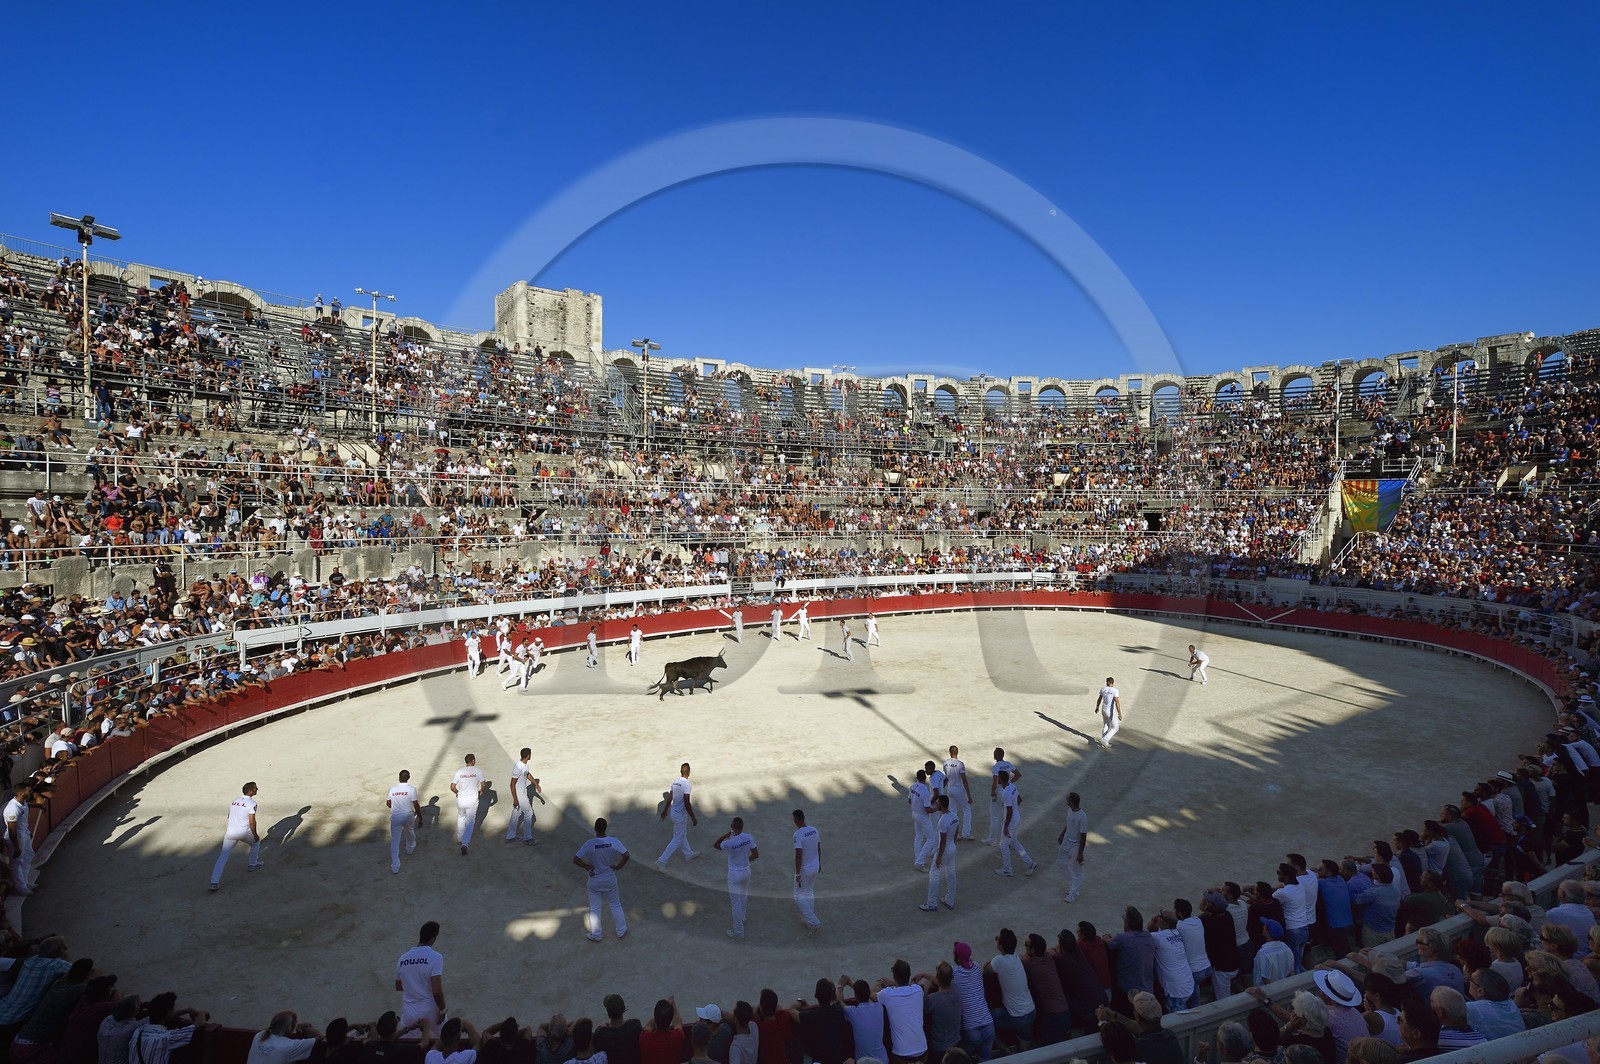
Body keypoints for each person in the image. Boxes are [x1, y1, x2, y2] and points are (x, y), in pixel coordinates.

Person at [574, 817, 631, 941]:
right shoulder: (614, 841)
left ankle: (596, 935)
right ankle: (621, 931)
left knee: (595, 909)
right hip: (610, 878)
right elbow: (626, 855)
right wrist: (618, 867)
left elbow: (576, 859)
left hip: (594, 880)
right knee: (615, 904)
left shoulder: (589, 844)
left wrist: (586, 866)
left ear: (595, 828)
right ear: (606, 828)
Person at [986, 930, 1036, 1051]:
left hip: (1015, 1016)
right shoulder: (1017, 959)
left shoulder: (999, 960)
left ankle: (1006, 1051)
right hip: (1031, 1011)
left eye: (997, 938)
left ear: (1001, 946)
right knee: (1024, 1047)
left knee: (984, 1021)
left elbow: (986, 971)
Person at [209, 781, 263, 891]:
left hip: (230, 833)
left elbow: (230, 815)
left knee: (222, 857)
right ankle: (252, 864)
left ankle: (214, 882)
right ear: (251, 791)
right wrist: (255, 834)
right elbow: (252, 822)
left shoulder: (234, 801)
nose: (257, 789)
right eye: (255, 788)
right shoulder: (252, 804)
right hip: (243, 832)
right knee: (256, 842)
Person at [396, 922, 446, 1034]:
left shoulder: (402, 958)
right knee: (443, 1042)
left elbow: (399, 986)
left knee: (409, 1048)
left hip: (409, 1012)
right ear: (433, 938)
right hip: (431, 1011)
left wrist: (414, 987)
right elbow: (436, 991)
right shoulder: (436, 957)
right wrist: (442, 1010)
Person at [714, 817, 759, 939]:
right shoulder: (748, 837)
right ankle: (742, 917)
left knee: (735, 903)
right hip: (746, 871)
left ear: (732, 827)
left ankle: (738, 932)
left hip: (734, 874)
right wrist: (746, 860)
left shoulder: (729, 843)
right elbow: (756, 854)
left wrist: (727, 834)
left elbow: (716, 844)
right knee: (743, 895)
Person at [127, 993, 205, 1064]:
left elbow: (165, 1016)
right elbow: (199, 1024)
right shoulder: (166, 1038)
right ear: (169, 1012)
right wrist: (203, 1012)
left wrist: (188, 1010)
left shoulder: (138, 1031)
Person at [875, 960, 926, 1062]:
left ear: (894, 976)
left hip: (901, 1054)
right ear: (909, 974)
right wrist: (893, 983)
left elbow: (870, 994)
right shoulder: (918, 990)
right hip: (922, 1051)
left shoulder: (887, 994)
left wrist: (879, 983)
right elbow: (907, 986)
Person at [995, 770, 1036, 878]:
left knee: (1003, 845)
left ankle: (1007, 870)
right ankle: (1030, 863)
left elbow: (1009, 811)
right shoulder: (1012, 787)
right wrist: (1014, 808)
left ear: (1001, 779)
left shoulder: (1006, 793)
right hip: (1016, 817)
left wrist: (1006, 827)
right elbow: (1020, 800)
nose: (997, 779)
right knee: (1013, 842)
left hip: (1011, 820)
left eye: (998, 777)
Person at [657, 763, 699, 868]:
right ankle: (661, 861)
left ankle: (688, 854)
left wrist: (665, 811)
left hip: (673, 812)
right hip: (680, 815)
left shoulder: (675, 782)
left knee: (682, 834)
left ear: (681, 771)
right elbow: (686, 802)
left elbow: (670, 797)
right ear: (689, 772)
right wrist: (693, 816)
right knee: (677, 839)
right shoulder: (687, 784)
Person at [922, 795, 958, 913]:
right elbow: (956, 831)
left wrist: (939, 857)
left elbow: (942, 841)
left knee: (934, 874)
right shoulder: (954, 816)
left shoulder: (942, 821)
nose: (936, 805)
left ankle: (931, 904)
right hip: (952, 848)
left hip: (945, 849)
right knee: (951, 874)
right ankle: (949, 901)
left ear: (941, 805)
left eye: (937, 803)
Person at [245, 1011, 322, 1064]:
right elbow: (320, 1037)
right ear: (290, 1028)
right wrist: (305, 1027)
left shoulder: (259, 1035)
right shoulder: (289, 1046)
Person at [506, 749, 544, 847]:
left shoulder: (524, 765)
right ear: (528, 755)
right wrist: (515, 799)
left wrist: (535, 784)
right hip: (520, 794)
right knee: (529, 813)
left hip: (521, 793)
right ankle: (527, 838)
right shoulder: (518, 767)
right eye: (530, 754)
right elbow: (512, 784)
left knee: (516, 813)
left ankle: (510, 836)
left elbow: (527, 774)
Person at [793, 809, 822, 936]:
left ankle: (814, 921)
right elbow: (818, 847)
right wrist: (819, 863)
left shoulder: (797, 834)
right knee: (809, 892)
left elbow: (798, 855)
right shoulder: (814, 830)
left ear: (796, 820)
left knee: (798, 895)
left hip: (804, 869)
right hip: (815, 866)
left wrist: (798, 873)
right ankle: (809, 921)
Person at [450, 755, 486, 856]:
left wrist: (457, 792)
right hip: (472, 800)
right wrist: (481, 791)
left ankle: (460, 838)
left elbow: (452, 787)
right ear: (473, 761)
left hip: (461, 799)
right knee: (470, 822)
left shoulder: (460, 772)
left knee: (461, 817)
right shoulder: (478, 771)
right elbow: (483, 784)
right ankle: (465, 844)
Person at [388, 770, 421, 874]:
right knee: (410, 831)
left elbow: (388, 803)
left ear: (399, 777)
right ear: (409, 777)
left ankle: (395, 866)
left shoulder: (392, 789)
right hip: (408, 815)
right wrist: (420, 817)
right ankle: (410, 849)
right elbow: (416, 804)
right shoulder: (411, 789)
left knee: (395, 840)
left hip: (396, 816)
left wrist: (395, 809)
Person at [4, 784, 36, 895]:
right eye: (29, 791)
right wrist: (16, 846)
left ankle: (25, 882)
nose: (31, 792)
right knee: (17, 861)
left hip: (23, 834)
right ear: (21, 793)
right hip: (16, 837)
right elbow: (12, 829)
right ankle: (20, 887)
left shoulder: (23, 803)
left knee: (28, 855)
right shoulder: (12, 809)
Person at [1058, 791, 1087, 903]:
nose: (1066, 799)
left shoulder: (1083, 817)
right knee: (1061, 862)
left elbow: (1083, 836)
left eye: (1068, 799)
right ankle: (1072, 884)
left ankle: (1073, 893)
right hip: (1066, 842)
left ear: (1072, 802)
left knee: (1078, 871)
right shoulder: (1070, 810)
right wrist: (1062, 833)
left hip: (1075, 846)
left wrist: (1080, 853)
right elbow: (1068, 823)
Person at [983, 748, 1015, 846]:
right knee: (1007, 816)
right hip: (1007, 790)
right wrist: (1009, 783)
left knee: (995, 817)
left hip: (998, 792)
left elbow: (995, 781)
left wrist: (993, 791)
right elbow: (1018, 774)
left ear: (996, 755)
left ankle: (992, 839)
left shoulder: (996, 767)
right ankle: (1010, 840)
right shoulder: (1008, 764)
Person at [944, 746, 974, 840]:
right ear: (957, 752)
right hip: (958, 788)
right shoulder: (960, 764)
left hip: (950, 789)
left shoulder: (945, 763)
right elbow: (964, 780)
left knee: (953, 811)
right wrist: (968, 794)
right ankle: (966, 833)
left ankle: (955, 834)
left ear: (949, 752)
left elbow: (946, 777)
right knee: (967, 809)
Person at [909, 769, 936, 871]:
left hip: (914, 814)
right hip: (923, 816)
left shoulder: (912, 786)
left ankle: (918, 859)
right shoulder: (924, 790)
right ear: (924, 778)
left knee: (918, 837)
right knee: (931, 839)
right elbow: (927, 809)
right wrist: (936, 809)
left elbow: (909, 800)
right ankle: (920, 862)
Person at [1096, 678, 1123, 749]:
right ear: (1113, 683)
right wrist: (1119, 713)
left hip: (1103, 710)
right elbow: (1117, 701)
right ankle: (1105, 740)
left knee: (1106, 725)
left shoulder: (1103, 689)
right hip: (1110, 711)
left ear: (1107, 682)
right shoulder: (1115, 690)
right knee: (1115, 727)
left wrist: (1097, 707)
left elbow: (1099, 699)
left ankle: (1104, 743)